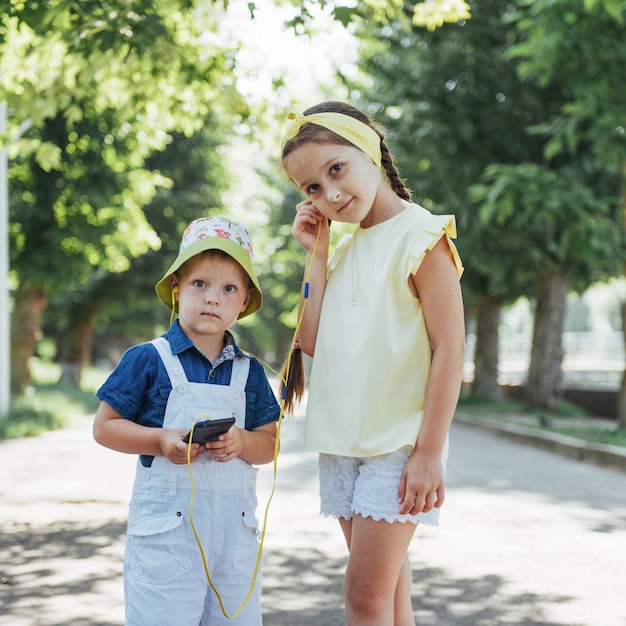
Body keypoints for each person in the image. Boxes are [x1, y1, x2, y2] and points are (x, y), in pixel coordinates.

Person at [280, 101, 465, 626]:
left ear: (370, 150)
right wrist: (315, 252)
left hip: (400, 445)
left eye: (335, 169)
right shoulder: (340, 252)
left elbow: (450, 348)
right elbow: (311, 338)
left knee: (363, 598)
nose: (330, 194)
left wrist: (429, 452)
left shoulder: (423, 237)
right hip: (342, 443)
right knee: (388, 596)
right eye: (311, 188)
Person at [93, 216, 280, 626]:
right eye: (200, 284)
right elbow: (104, 427)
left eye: (228, 288)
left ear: (245, 300)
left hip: (233, 545)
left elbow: (269, 443)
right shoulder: (147, 358)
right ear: (177, 287)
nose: (213, 298)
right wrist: (160, 440)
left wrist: (243, 444)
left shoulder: (250, 373)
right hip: (166, 543)